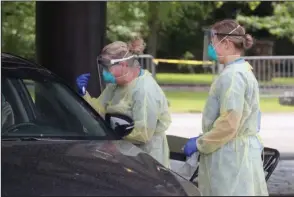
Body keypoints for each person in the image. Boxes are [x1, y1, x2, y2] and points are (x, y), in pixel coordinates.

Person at [183, 19, 268, 196]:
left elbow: (229, 122)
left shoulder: (233, 76)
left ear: (227, 44)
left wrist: (201, 143)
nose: (211, 48)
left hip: (229, 157)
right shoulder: (243, 70)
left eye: (213, 43)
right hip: (237, 153)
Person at [76, 38, 172, 168]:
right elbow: (99, 110)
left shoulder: (144, 91)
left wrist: (111, 140)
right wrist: (83, 94)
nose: (104, 72)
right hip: (123, 155)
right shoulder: (116, 84)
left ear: (123, 65)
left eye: (107, 67)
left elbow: (142, 134)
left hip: (147, 159)